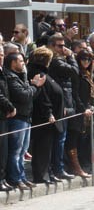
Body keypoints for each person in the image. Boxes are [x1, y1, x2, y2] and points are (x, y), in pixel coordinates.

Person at [4, 51, 46, 189]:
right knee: (16, 151)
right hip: (17, 119)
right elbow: (24, 95)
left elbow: (30, 95)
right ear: (13, 63)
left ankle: (21, 176)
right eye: (20, 61)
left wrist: (34, 86)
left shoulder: (21, 76)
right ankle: (15, 179)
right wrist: (35, 86)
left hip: (26, 117)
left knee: (23, 151)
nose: (23, 63)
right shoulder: (10, 77)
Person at [27, 47, 65, 184]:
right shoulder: (37, 73)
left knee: (47, 147)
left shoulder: (42, 72)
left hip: (51, 117)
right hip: (43, 117)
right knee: (42, 147)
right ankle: (41, 175)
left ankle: (48, 172)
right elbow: (43, 97)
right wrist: (49, 113)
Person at [47, 33, 78, 181]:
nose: (63, 48)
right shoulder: (55, 61)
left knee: (62, 138)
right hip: (60, 105)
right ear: (51, 46)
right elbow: (74, 72)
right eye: (60, 46)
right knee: (59, 139)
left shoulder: (59, 59)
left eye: (64, 45)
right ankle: (57, 169)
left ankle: (59, 167)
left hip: (65, 102)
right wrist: (71, 57)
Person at [67, 49, 94, 178]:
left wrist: (89, 106)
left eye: (89, 59)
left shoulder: (88, 73)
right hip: (77, 110)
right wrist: (82, 108)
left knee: (82, 138)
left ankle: (83, 164)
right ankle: (75, 167)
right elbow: (75, 93)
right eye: (83, 59)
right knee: (73, 138)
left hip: (86, 109)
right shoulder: (77, 73)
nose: (86, 62)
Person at [0, 45, 17, 191]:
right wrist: (10, 107)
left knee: (4, 149)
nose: (0, 58)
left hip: (4, 116)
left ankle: (2, 177)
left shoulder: (3, 71)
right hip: (2, 113)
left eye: (1, 55)